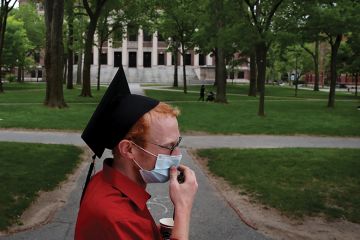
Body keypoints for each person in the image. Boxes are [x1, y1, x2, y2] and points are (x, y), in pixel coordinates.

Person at [75, 67, 198, 240]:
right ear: (129, 149)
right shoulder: (119, 218)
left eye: (177, 143)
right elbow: (126, 225)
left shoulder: (103, 180)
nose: (177, 154)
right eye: (169, 146)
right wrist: (183, 206)